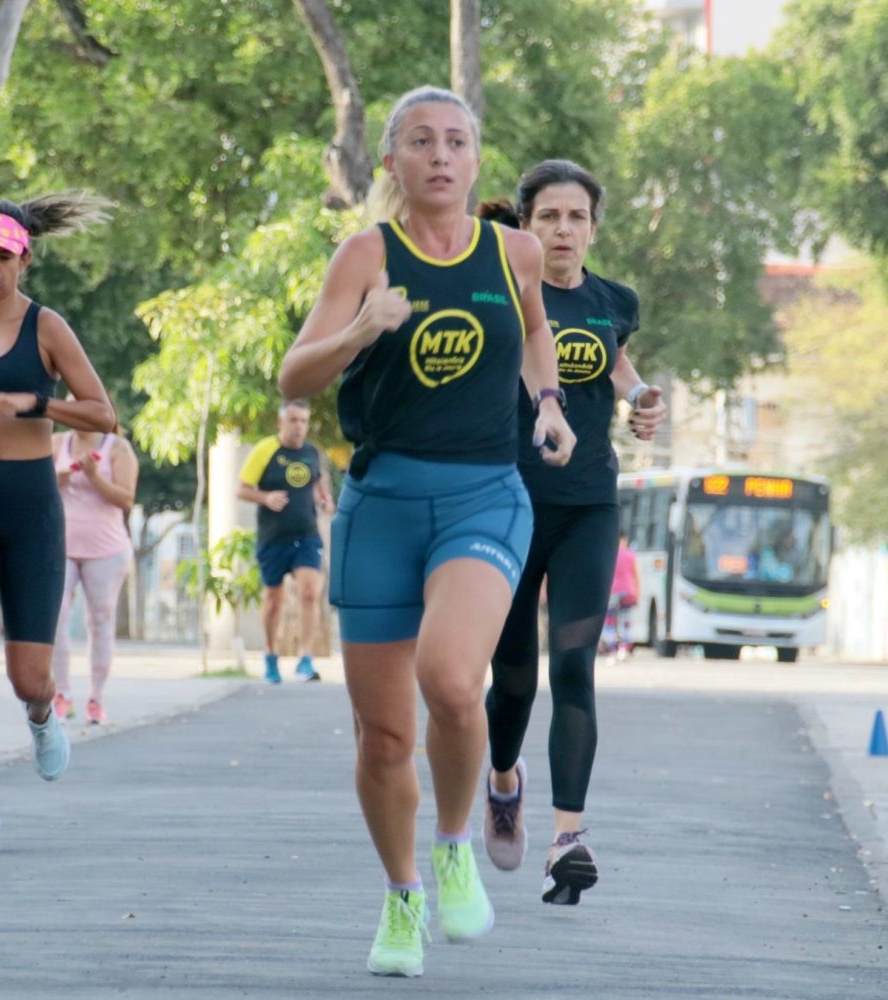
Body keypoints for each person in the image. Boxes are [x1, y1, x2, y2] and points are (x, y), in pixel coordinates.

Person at [278, 86, 575, 977]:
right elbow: (296, 375)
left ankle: (453, 842)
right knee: (381, 738)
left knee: (450, 678)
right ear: (393, 163)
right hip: (382, 504)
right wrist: (363, 327)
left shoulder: (514, 250)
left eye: (455, 141)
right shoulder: (364, 253)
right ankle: (403, 896)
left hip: (487, 493)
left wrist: (550, 402)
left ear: (476, 160)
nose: (440, 155)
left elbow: (534, 331)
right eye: (420, 141)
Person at [479, 160, 666, 905]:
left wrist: (643, 398)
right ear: (526, 225)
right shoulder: (501, 297)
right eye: (548, 216)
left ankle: (568, 837)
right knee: (516, 680)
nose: (562, 230)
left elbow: (619, 368)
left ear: (593, 227)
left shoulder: (610, 300)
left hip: (589, 502)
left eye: (576, 217)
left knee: (575, 667)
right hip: (510, 503)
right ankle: (502, 782)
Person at [0, 193, 116, 854]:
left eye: (1, 256)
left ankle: (41, 713)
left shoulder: (47, 329)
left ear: (23, 259)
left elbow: (104, 414)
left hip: (34, 509)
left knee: (26, 676)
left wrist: (38, 402)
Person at [50, 403, 139, 724]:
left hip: (105, 548)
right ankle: (62, 693)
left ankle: (96, 698)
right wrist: (57, 478)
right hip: (61, 546)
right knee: (54, 618)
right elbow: (38, 488)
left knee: (99, 621)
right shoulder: (58, 443)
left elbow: (126, 499)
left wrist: (92, 477)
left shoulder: (117, 448)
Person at [236, 399, 335, 684]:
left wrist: (326, 500)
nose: (299, 426)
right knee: (274, 599)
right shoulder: (265, 450)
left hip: (306, 534)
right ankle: (271, 656)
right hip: (273, 536)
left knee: (309, 591)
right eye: (293, 420)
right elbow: (241, 489)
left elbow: (319, 485)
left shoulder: (312, 453)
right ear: (281, 422)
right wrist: (265, 498)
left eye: (304, 421)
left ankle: (306, 659)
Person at [599, 533, 640, 659]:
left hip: (612, 592)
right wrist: (637, 594)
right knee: (626, 622)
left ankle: (612, 649)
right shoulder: (630, 555)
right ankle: (623, 649)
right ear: (624, 540)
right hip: (628, 591)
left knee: (610, 622)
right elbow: (636, 576)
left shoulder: (608, 554)